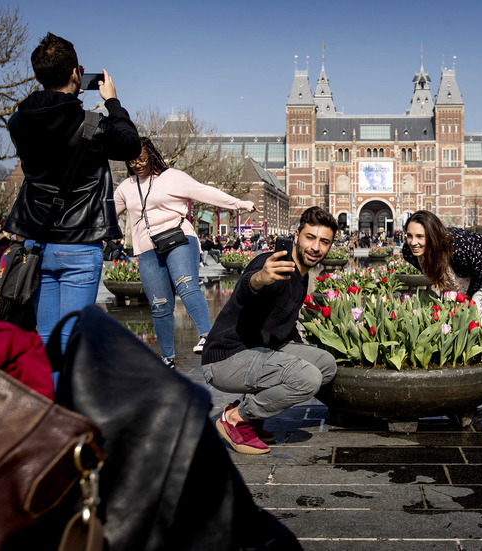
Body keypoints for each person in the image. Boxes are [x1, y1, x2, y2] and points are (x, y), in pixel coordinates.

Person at [3, 32, 141, 349]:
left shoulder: (18, 123)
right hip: (80, 242)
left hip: (37, 242)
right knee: (74, 339)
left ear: (37, 76)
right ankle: (69, 397)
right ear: (77, 73)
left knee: (48, 337)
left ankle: (53, 395)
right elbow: (131, 144)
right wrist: (112, 101)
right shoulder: (93, 126)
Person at [202, 207, 339, 455]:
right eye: (310, 237)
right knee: (307, 378)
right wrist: (260, 279)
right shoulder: (273, 264)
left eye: (324, 241)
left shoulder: (301, 275)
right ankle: (235, 418)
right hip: (227, 356)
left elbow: (283, 325)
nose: (316, 247)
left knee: (326, 364)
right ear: (296, 236)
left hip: (259, 350)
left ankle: (254, 417)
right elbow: (250, 286)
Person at [115, 137, 256, 365]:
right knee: (160, 304)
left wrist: (239, 204)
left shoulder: (173, 178)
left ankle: (206, 337)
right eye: (132, 161)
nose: (137, 164)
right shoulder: (126, 187)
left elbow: (205, 192)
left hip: (178, 238)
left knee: (186, 283)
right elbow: (108, 215)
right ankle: (167, 358)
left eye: (141, 159)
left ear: (151, 155)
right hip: (147, 249)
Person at [402, 210, 482, 313]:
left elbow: (481, 273)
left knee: (473, 313)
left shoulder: (458, 248)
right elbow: (427, 270)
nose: (413, 242)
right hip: (455, 271)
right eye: (409, 235)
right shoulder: (408, 252)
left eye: (420, 236)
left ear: (432, 235)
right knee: (447, 313)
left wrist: (468, 297)